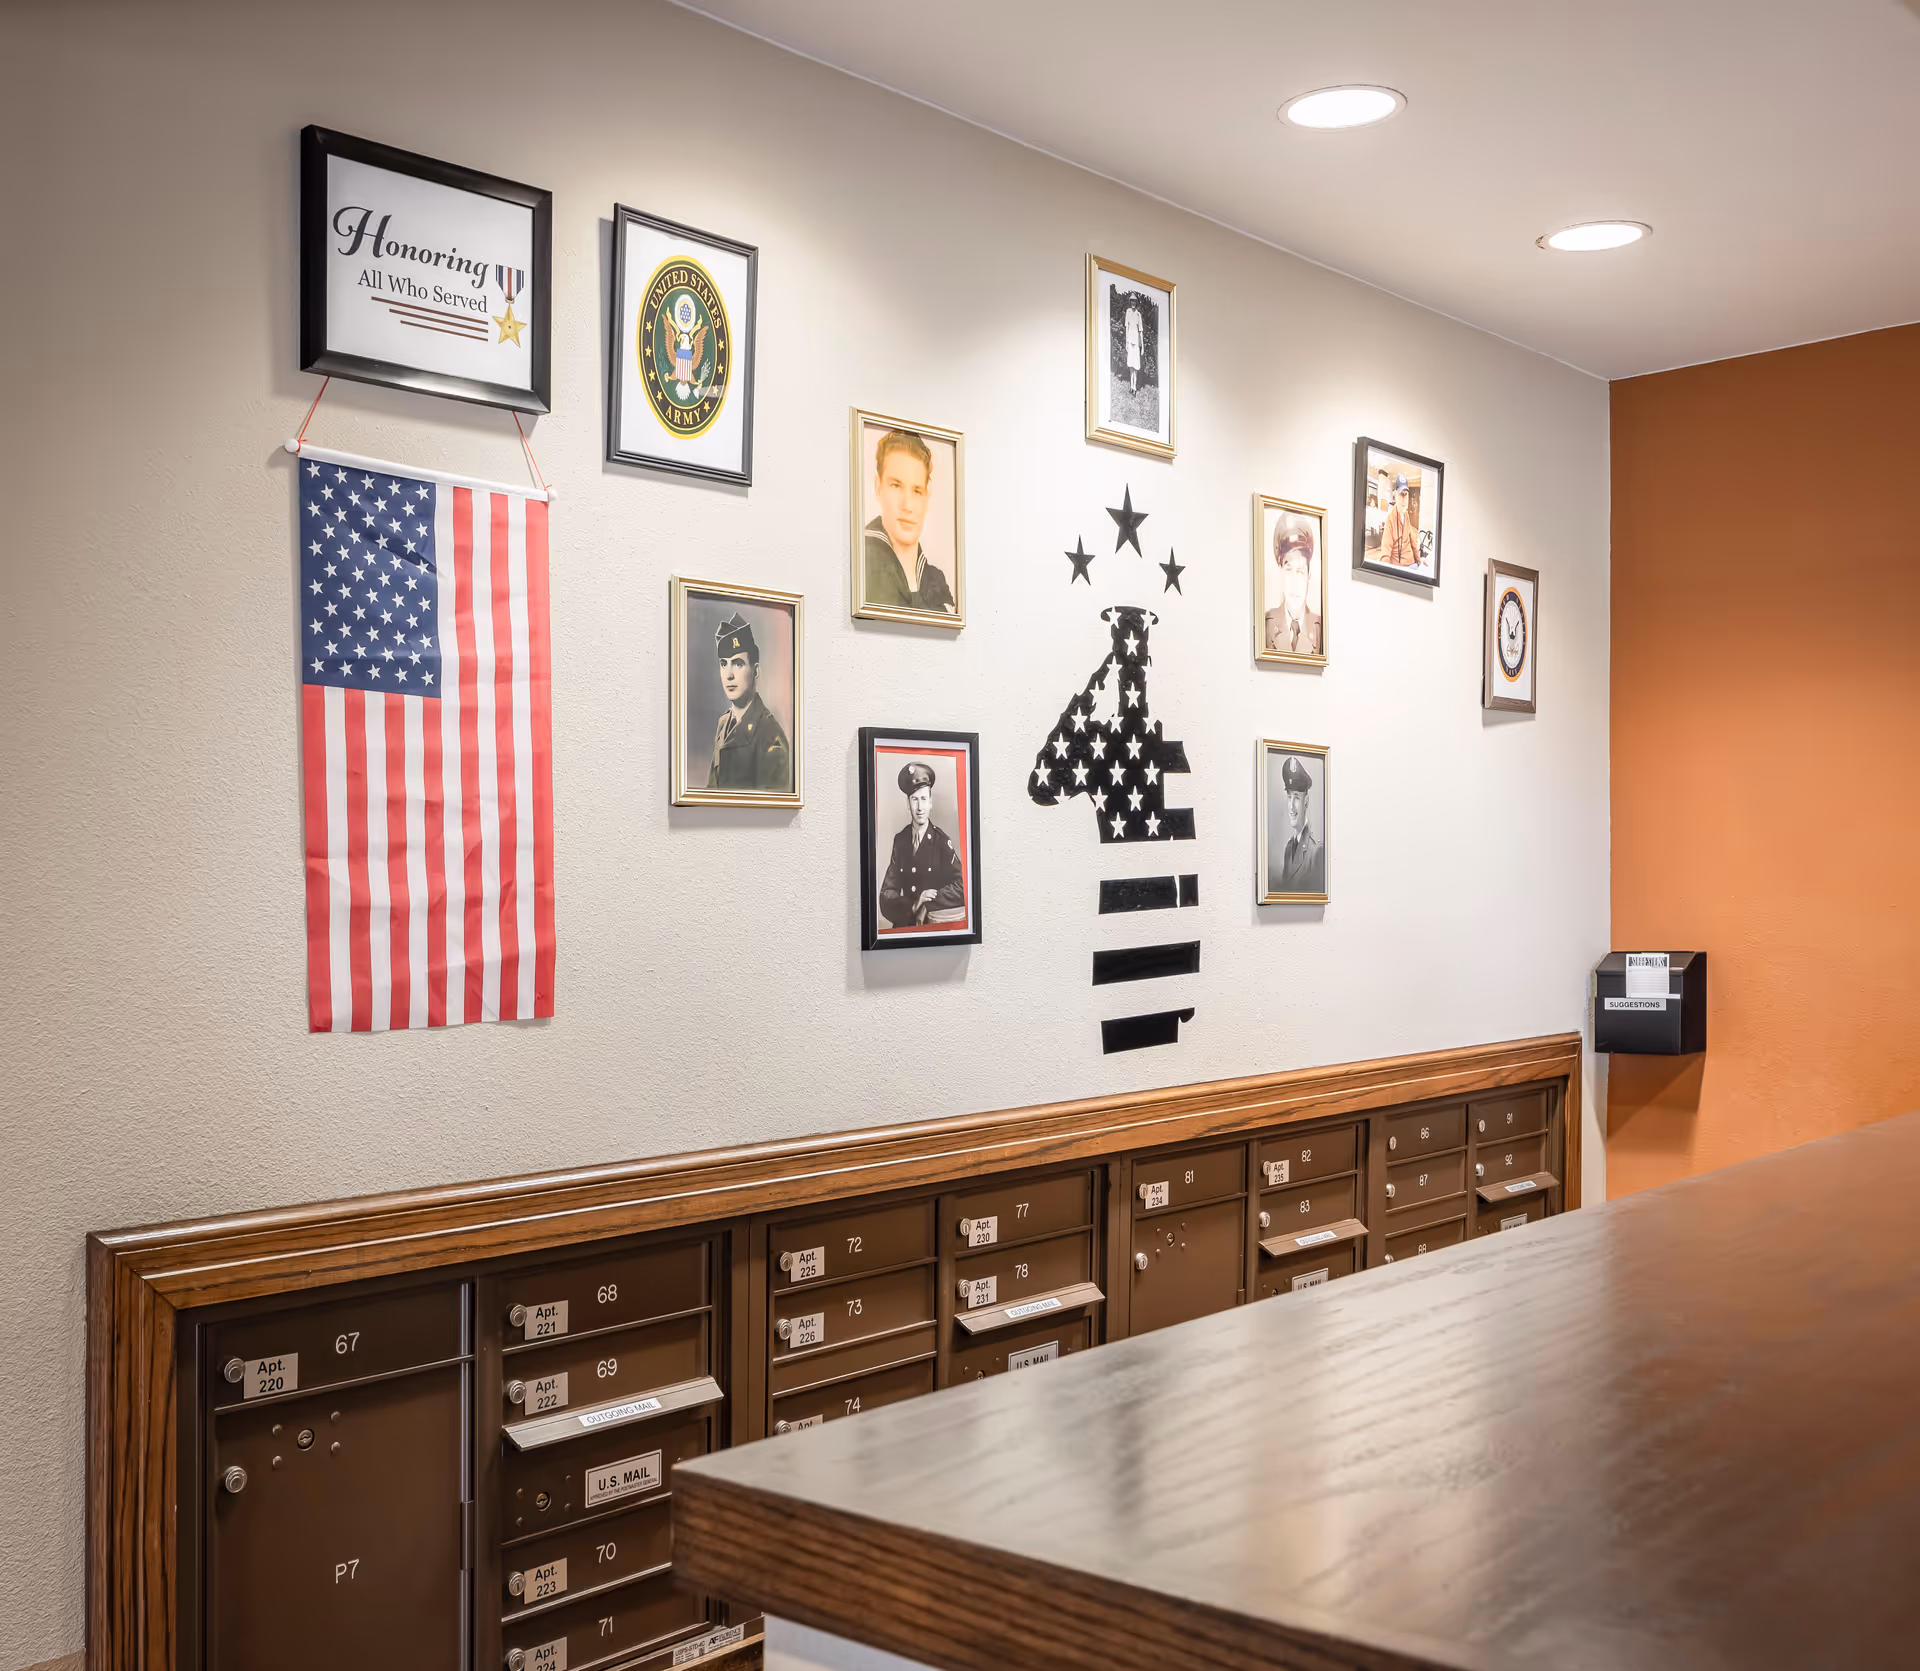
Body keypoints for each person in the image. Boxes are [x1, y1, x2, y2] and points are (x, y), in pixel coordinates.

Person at [863, 429, 954, 614]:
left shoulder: (935, 583)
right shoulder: (860, 565)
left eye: (917, 491)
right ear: (877, 487)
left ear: (927, 495)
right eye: (896, 486)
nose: (907, 505)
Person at [705, 612, 791, 792]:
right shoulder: (723, 724)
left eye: (738, 664)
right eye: (723, 663)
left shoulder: (771, 738)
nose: (729, 674)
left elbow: (772, 812)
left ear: (756, 671)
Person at [879, 761, 965, 927]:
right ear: (908, 805)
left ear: (931, 803)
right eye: (915, 799)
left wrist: (931, 900)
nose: (919, 807)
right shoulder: (900, 840)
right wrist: (913, 903)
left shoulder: (941, 841)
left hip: (930, 927)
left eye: (924, 799)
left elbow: (963, 887)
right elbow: (886, 895)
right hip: (905, 924)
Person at [1263, 526, 1321, 656]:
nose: (1294, 582)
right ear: (1281, 572)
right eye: (1288, 570)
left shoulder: (1321, 630)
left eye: (1300, 572)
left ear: (1309, 576)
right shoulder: (1265, 625)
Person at [1272, 756, 1325, 894]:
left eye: (1296, 797)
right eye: (1289, 797)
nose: (1291, 806)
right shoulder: (1289, 849)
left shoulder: (1316, 851)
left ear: (1306, 802)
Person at [1380, 473, 1423, 568]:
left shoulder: (1406, 515)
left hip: (1413, 565)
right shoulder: (1391, 519)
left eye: (1405, 495)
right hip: (1402, 569)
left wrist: (1419, 562)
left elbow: (1413, 542)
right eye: (1401, 494)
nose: (1403, 499)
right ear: (1395, 495)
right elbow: (1385, 552)